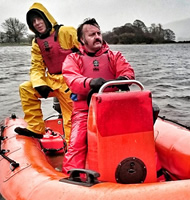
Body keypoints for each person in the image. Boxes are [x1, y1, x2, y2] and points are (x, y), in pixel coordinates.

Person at [61, 18, 135, 173]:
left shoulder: (115, 56)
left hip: (113, 108)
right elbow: (72, 79)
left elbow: (127, 72)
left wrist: (124, 79)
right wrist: (90, 82)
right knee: (76, 144)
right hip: (85, 110)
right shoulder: (73, 59)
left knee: (132, 139)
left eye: (98, 33)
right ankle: (72, 177)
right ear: (82, 39)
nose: (97, 37)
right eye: (91, 35)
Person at [15, 2, 80, 144]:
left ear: (46, 17)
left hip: (71, 82)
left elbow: (87, 52)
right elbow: (36, 66)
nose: (37, 23)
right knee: (26, 88)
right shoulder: (36, 43)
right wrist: (39, 84)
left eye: (39, 19)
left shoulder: (67, 32)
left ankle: (73, 153)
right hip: (52, 81)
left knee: (70, 120)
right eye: (33, 22)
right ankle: (36, 128)